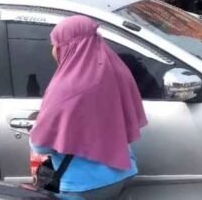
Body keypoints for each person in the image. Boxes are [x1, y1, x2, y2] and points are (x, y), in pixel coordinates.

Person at [29, 16, 147, 199]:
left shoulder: (65, 88)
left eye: (57, 44)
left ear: (70, 46)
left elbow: (41, 146)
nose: (54, 49)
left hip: (82, 185)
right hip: (123, 173)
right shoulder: (118, 70)